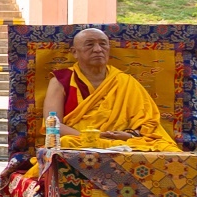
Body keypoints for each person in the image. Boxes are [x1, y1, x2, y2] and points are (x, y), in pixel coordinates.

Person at [42, 26, 179, 152]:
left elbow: (148, 122)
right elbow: (53, 125)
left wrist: (129, 134)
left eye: (103, 44)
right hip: (80, 141)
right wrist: (92, 136)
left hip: (122, 142)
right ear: (74, 52)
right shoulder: (61, 80)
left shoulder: (124, 81)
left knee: (166, 148)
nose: (98, 49)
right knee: (66, 142)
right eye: (90, 44)